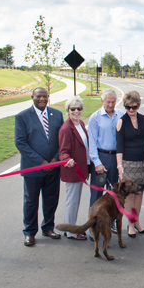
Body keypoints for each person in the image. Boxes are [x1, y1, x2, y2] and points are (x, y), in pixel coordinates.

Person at [14, 87, 64, 247]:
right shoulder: (22, 117)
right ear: (32, 97)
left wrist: (55, 159)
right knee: (31, 202)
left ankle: (48, 227)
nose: (42, 99)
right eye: (38, 96)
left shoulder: (57, 114)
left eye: (45, 96)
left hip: (53, 167)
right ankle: (29, 232)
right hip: (33, 168)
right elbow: (20, 142)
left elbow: (63, 139)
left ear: (49, 97)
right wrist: (41, 162)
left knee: (51, 199)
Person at [115, 90, 144, 238]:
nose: (131, 110)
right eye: (128, 107)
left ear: (138, 106)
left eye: (134, 107)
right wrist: (119, 166)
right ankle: (130, 224)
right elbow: (119, 146)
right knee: (130, 195)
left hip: (142, 163)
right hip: (128, 164)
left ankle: (137, 222)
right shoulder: (121, 122)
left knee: (140, 193)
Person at [58, 96, 91, 241]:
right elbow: (63, 151)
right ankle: (70, 231)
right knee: (72, 201)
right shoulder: (66, 128)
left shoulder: (81, 124)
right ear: (67, 111)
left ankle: (71, 227)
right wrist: (67, 160)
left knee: (76, 200)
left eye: (79, 108)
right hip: (73, 171)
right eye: (73, 109)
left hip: (82, 169)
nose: (76, 111)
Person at [87, 89, 122, 208]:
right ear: (102, 100)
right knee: (97, 193)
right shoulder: (95, 118)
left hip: (116, 157)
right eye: (108, 102)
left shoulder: (121, 115)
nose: (111, 105)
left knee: (114, 193)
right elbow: (92, 142)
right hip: (101, 157)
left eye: (113, 102)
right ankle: (93, 223)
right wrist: (96, 162)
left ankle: (111, 222)